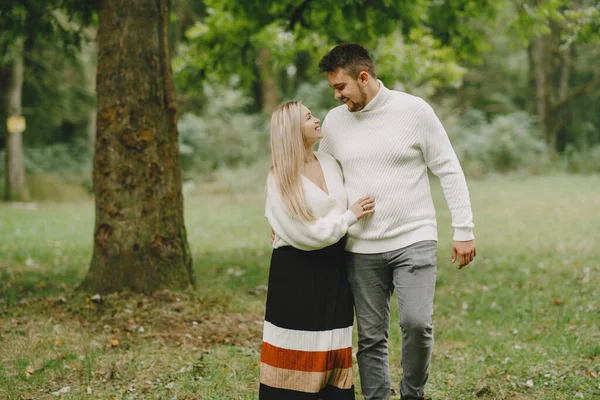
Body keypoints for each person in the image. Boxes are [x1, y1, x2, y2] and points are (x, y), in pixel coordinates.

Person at [317, 43, 477, 400]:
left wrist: (464, 229)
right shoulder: (334, 122)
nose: (337, 95)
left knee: (417, 324)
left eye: (340, 87)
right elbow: (321, 177)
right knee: (371, 336)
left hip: (414, 237)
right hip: (360, 247)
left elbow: (448, 168)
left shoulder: (414, 111)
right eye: (333, 89)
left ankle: (412, 394)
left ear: (363, 77)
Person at [259, 100, 375, 399]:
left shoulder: (329, 162)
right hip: (297, 270)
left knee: (333, 343)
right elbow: (304, 235)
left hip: (334, 266)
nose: (317, 119)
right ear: (292, 131)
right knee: (296, 348)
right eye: (309, 117)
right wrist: (349, 216)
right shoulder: (280, 177)